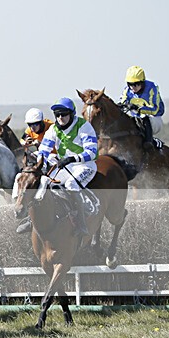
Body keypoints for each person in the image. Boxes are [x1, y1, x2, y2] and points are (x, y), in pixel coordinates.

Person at [35, 97, 99, 236]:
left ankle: (82, 224)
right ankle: (31, 219)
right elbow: (44, 151)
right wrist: (42, 164)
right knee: (44, 181)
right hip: (65, 166)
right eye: (57, 115)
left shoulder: (84, 126)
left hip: (84, 165)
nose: (60, 117)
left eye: (64, 114)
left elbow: (92, 152)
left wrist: (72, 158)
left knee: (71, 184)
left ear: (72, 114)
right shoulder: (52, 129)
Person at [118, 65, 165, 151]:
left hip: (154, 119)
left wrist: (138, 108)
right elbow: (121, 104)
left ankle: (150, 142)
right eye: (130, 84)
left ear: (142, 82)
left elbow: (155, 109)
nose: (133, 87)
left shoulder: (152, 88)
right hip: (136, 119)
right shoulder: (127, 90)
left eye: (136, 84)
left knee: (144, 117)